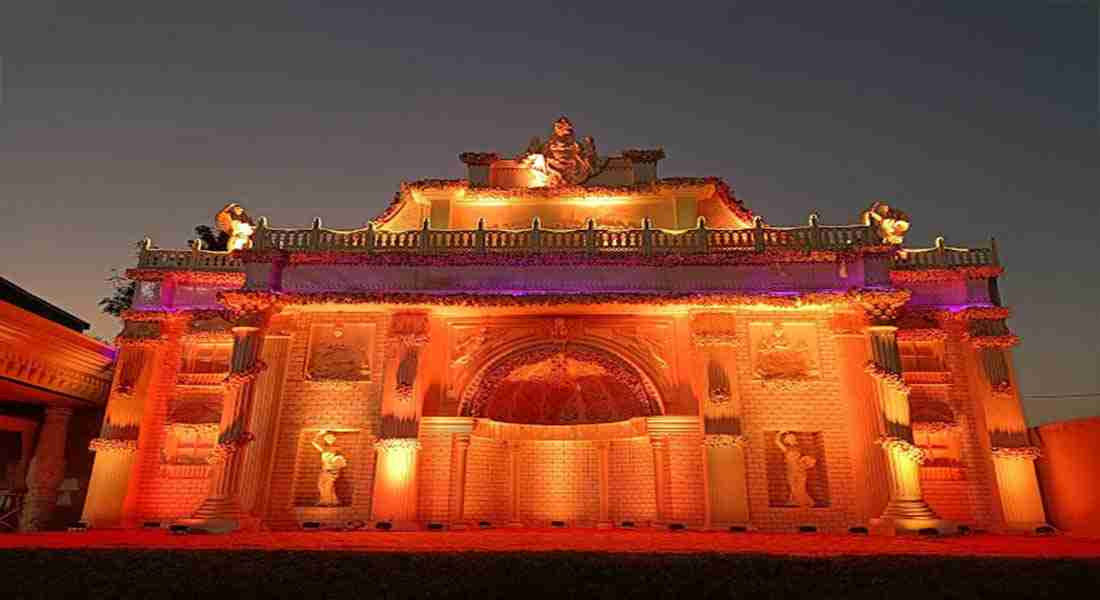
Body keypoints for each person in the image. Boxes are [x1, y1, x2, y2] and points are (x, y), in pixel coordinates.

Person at [312, 430, 348, 506]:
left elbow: (340, 459)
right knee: (321, 484)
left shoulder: (336, 448)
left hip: (332, 469)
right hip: (324, 468)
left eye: (331, 438)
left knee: (328, 486)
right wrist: (320, 433)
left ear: (334, 439)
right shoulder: (324, 448)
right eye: (327, 437)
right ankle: (330, 501)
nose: (329, 439)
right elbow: (314, 442)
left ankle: (327, 502)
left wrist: (336, 470)